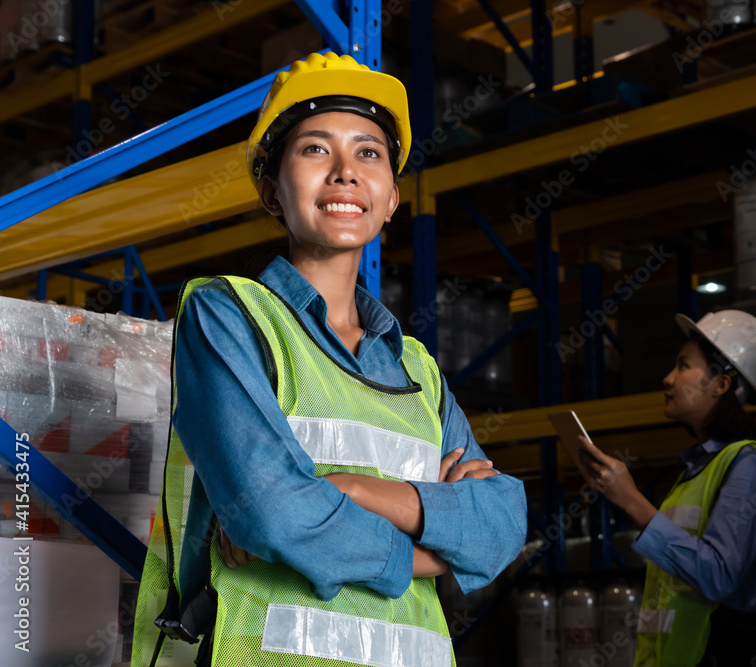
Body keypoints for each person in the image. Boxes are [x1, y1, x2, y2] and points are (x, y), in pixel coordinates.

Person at [132, 52, 527, 667]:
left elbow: (501, 524)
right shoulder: (229, 316)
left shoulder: (417, 369)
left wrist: (350, 488)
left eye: (369, 153)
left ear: (392, 198)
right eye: (315, 150)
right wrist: (426, 555)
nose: (345, 172)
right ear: (271, 191)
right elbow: (270, 510)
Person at [575, 310, 756, 666]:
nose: (668, 379)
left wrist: (632, 501)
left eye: (683, 366)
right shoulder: (697, 472)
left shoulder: (748, 465)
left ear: (721, 384)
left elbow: (718, 575)